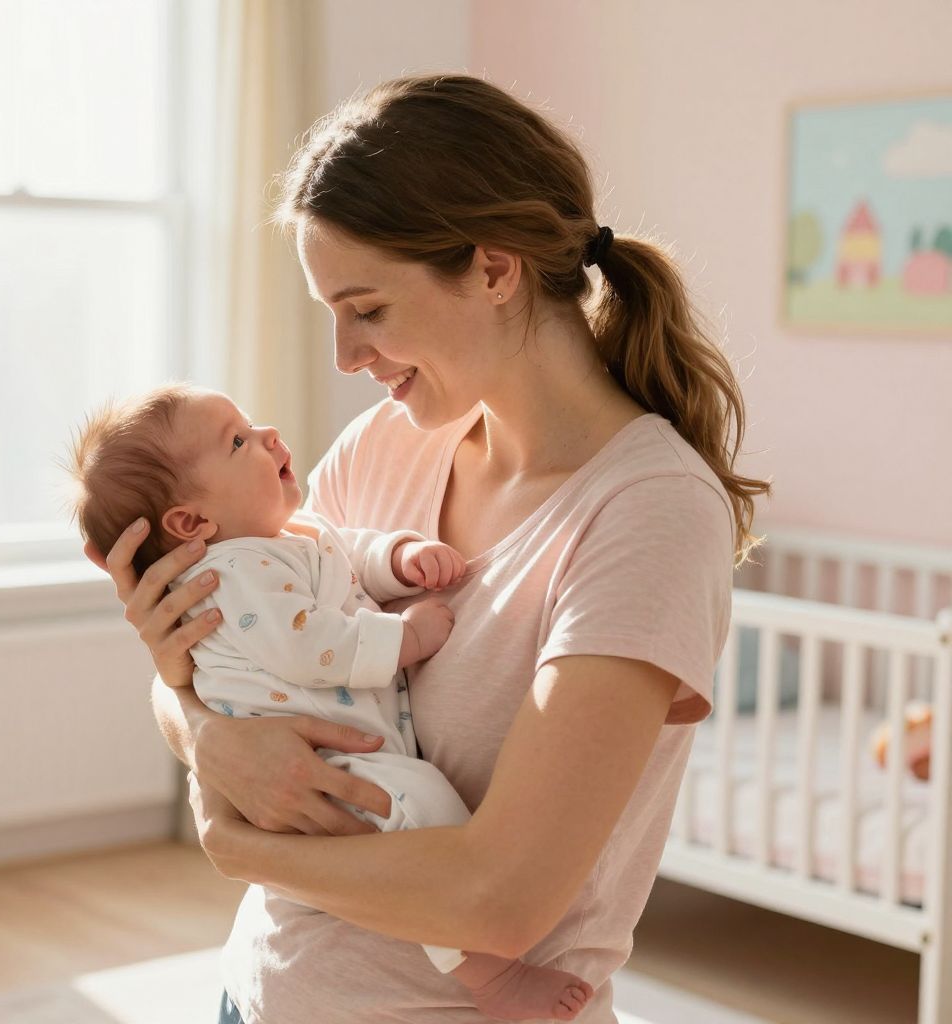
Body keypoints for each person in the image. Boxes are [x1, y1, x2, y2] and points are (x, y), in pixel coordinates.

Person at [85, 74, 768, 1023]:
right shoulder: (388, 443)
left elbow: (500, 898)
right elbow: (234, 655)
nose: (345, 356)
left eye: (366, 309)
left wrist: (235, 840)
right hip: (259, 992)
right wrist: (202, 727)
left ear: (495, 271)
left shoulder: (646, 514)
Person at [66, 384, 593, 1020]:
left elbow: (346, 554)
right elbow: (307, 642)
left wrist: (400, 558)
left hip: (338, 781)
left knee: (424, 818)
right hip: (326, 766)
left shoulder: (288, 536)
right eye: (237, 442)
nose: (267, 436)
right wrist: (406, 637)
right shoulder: (232, 573)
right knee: (422, 803)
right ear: (193, 523)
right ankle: (488, 974)